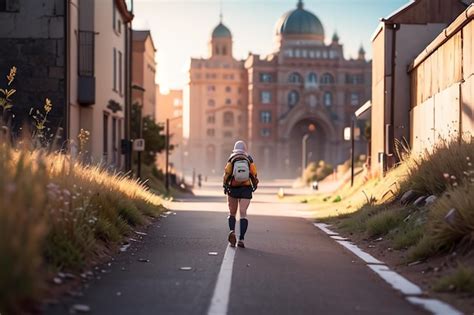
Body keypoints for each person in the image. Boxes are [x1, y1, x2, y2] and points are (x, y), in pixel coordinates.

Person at [223, 140, 258, 248]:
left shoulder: (232, 158)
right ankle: (241, 238)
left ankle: (232, 232)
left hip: (233, 188)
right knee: (243, 213)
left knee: (232, 213)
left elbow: (227, 172)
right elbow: (254, 173)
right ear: (245, 149)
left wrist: (225, 185)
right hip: (246, 189)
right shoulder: (249, 158)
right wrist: (254, 184)